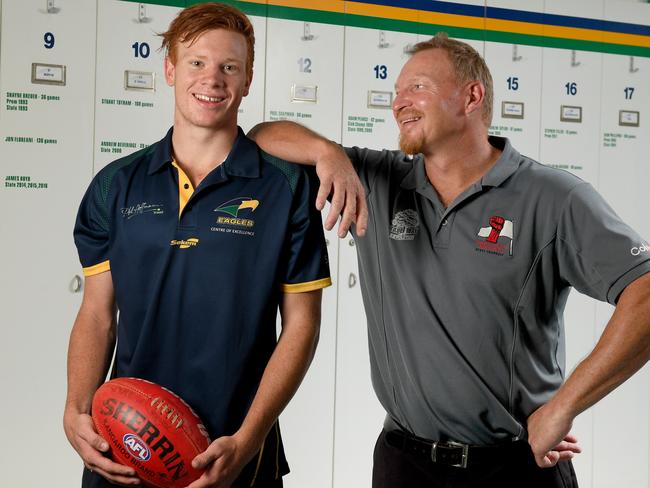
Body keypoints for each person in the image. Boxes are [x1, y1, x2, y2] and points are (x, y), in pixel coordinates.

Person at [248, 33, 650, 487]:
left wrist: (564, 407)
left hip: (514, 467)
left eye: (416, 87)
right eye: (396, 93)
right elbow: (262, 137)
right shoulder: (375, 182)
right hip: (404, 464)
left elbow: (645, 293)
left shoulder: (553, 197)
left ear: (472, 97)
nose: (399, 102)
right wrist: (327, 153)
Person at [63, 3, 331, 488]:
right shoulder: (114, 185)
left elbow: (302, 325)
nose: (212, 79)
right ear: (169, 69)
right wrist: (76, 408)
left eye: (230, 66)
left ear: (248, 80)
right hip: (126, 441)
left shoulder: (287, 188)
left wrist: (249, 438)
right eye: (197, 63)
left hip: (232, 450)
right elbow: (97, 313)